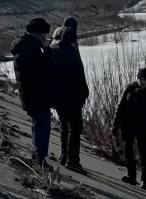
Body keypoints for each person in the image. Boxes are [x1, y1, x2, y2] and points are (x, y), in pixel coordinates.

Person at [11, 18, 54, 168]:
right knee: (42, 127)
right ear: (38, 34)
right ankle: (39, 160)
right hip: (36, 95)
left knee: (38, 126)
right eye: (44, 35)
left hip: (31, 95)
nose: (46, 38)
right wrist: (47, 52)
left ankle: (39, 157)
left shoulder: (24, 45)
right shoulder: (30, 48)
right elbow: (42, 71)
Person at [112, 68, 146, 188]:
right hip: (128, 124)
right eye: (141, 79)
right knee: (128, 150)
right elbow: (121, 107)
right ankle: (131, 175)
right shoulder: (130, 88)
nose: (142, 82)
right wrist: (115, 125)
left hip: (144, 127)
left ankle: (145, 181)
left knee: (144, 154)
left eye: (145, 80)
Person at [51, 25, 89, 171]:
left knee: (63, 126)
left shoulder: (54, 51)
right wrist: (84, 94)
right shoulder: (73, 56)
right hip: (72, 98)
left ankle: (63, 156)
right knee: (74, 128)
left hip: (58, 97)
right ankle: (73, 161)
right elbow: (79, 79)